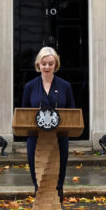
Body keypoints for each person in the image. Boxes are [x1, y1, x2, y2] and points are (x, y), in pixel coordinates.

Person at [22, 46, 75, 202]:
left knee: (57, 175)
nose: (47, 67)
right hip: (36, 139)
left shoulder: (65, 86)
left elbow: (72, 113)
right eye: (44, 63)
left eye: (50, 64)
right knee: (38, 175)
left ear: (55, 65)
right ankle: (40, 204)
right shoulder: (30, 87)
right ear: (38, 64)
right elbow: (23, 114)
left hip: (59, 139)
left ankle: (57, 205)